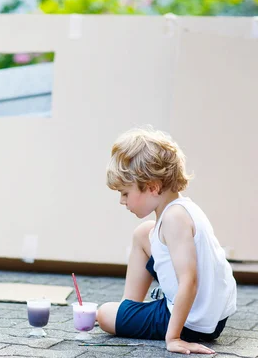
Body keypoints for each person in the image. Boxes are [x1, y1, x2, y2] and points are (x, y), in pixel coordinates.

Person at [97, 126, 237, 355]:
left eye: (125, 193)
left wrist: (173, 338)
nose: (122, 201)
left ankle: (124, 316)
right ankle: (128, 309)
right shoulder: (181, 210)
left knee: (103, 314)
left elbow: (189, 281)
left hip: (192, 323)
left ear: (152, 187)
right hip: (209, 316)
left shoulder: (174, 219)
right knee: (143, 233)